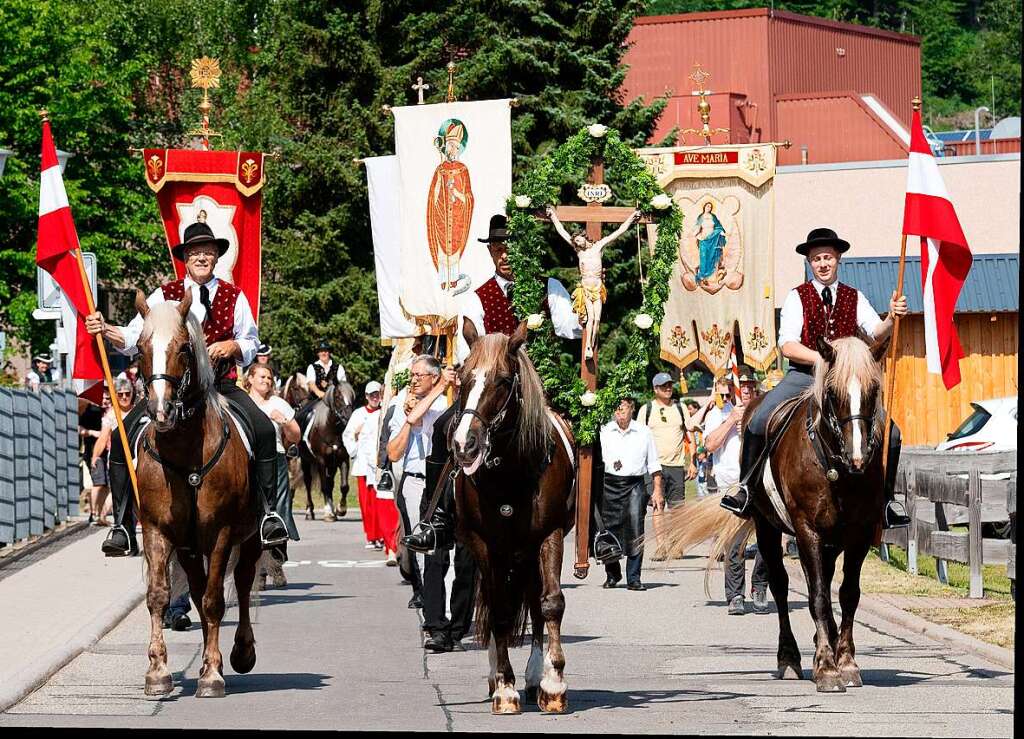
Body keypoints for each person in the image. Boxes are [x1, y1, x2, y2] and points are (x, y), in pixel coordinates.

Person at [84, 218, 289, 556]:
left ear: (216, 256)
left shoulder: (233, 296)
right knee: (122, 438)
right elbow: (136, 335)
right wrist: (105, 328)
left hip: (221, 386)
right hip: (171, 389)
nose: (202, 257)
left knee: (265, 430)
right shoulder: (164, 295)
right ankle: (122, 525)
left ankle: (269, 515)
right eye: (196, 252)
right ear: (185, 257)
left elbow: (252, 340)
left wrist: (233, 347)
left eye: (208, 251)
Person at [408, 213, 582, 552]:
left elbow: (571, 329)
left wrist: (589, 301)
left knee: (590, 431)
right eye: (498, 249)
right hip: (493, 390)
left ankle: (598, 523)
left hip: (541, 390)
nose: (504, 256)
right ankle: (436, 518)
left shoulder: (549, 288)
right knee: (447, 425)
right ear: (491, 253)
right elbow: (467, 348)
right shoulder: (477, 296)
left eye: (510, 248)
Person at [720, 227, 911, 530]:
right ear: (810, 262)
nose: (823, 264)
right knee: (758, 421)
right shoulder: (797, 297)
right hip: (804, 376)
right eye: (817, 259)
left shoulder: (854, 296)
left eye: (828, 258)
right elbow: (787, 345)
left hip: (843, 383)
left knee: (893, 433)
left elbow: (875, 331)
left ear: (838, 260)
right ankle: (746, 489)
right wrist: (823, 359)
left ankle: (886, 501)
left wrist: (890, 317)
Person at [387, 355, 455, 609]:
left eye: (419, 375)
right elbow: (394, 451)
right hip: (417, 478)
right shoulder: (401, 402)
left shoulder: (449, 400)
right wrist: (436, 390)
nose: (413, 380)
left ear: (435, 376)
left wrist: (450, 389)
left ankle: (452, 607)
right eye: (412, 375)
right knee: (422, 544)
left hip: (448, 479)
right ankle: (431, 605)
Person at [704, 368, 769, 614]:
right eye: (742, 386)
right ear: (734, 388)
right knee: (734, 544)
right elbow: (709, 445)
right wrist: (731, 421)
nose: (747, 391)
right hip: (732, 486)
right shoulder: (719, 413)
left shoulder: (764, 412)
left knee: (767, 543)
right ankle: (735, 595)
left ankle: (760, 587)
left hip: (761, 484)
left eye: (751, 386)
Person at [598, 396, 664, 591]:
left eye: (623, 408)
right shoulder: (604, 430)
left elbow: (653, 463)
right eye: (616, 408)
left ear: (632, 409)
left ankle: (634, 577)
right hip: (609, 483)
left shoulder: (643, 432)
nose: (619, 411)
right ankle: (612, 573)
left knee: (636, 529)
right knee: (608, 530)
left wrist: (657, 490)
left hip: (634, 485)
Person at [636, 372, 700, 559]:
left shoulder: (680, 408)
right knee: (658, 504)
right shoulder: (646, 409)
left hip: (676, 465)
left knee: (678, 508)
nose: (668, 388)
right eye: (664, 386)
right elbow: (639, 438)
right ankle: (662, 546)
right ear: (655, 389)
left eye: (670, 385)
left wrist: (693, 462)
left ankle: (676, 544)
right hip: (654, 466)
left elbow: (690, 433)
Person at [343, 381, 384, 551]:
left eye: (377, 394)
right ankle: (371, 536)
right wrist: (355, 440)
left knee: (381, 501)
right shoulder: (358, 414)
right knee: (367, 503)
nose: (375, 397)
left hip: (380, 465)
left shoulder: (385, 411)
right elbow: (347, 436)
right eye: (372, 395)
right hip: (363, 466)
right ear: (366, 396)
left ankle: (383, 536)